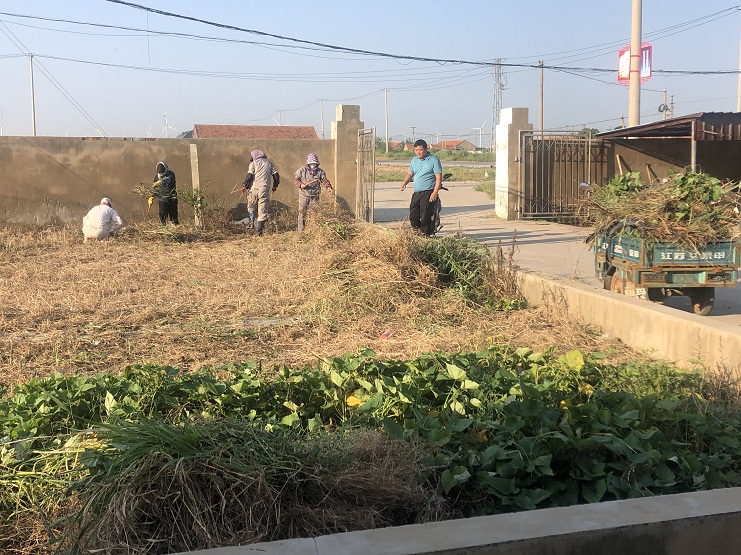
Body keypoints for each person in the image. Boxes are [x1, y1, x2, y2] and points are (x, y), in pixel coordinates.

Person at [399, 139, 443, 236]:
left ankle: (425, 235)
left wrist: (435, 193)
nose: (418, 152)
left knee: (425, 216)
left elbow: (438, 178)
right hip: (417, 193)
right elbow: (410, 174)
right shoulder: (414, 160)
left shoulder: (434, 160)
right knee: (413, 216)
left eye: (421, 150)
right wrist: (404, 183)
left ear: (426, 149)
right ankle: (418, 232)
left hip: (428, 192)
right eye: (416, 150)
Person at [241, 149, 279, 236]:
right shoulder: (269, 164)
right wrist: (274, 186)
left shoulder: (253, 164)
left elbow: (249, 176)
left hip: (253, 189)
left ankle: (251, 223)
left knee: (251, 205)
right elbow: (276, 176)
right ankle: (259, 232)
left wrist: (244, 186)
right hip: (264, 189)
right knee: (262, 211)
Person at [294, 153, 333, 232]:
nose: (313, 165)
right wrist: (301, 184)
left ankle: (312, 229)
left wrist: (328, 187)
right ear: (308, 163)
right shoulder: (301, 170)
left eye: (314, 164)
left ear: (317, 163)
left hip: (315, 195)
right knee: (302, 212)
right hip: (304, 195)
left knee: (314, 212)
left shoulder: (320, 172)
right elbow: (296, 180)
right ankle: (301, 231)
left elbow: (324, 180)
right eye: (311, 164)